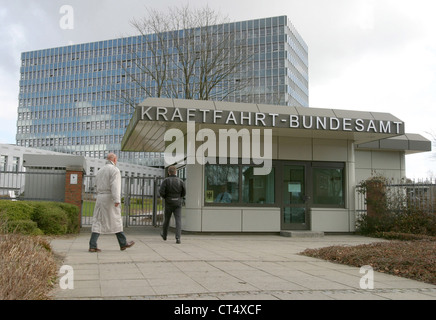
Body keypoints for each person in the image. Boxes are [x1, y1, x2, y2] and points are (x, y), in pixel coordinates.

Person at [89, 153, 135, 252]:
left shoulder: (100, 170)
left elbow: (95, 184)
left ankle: (92, 245)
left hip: (100, 197)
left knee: (98, 220)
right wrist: (117, 199)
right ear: (114, 159)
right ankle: (123, 243)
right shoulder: (114, 170)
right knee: (116, 220)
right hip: (109, 197)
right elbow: (115, 185)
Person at [159, 166, 186, 244]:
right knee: (178, 220)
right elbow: (184, 193)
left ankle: (164, 235)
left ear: (168, 172)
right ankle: (178, 238)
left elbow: (161, 192)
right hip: (178, 202)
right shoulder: (180, 181)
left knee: (167, 219)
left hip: (168, 202)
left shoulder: (166, 181)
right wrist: (179, 197)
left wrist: (166, 197)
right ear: (175, 172)